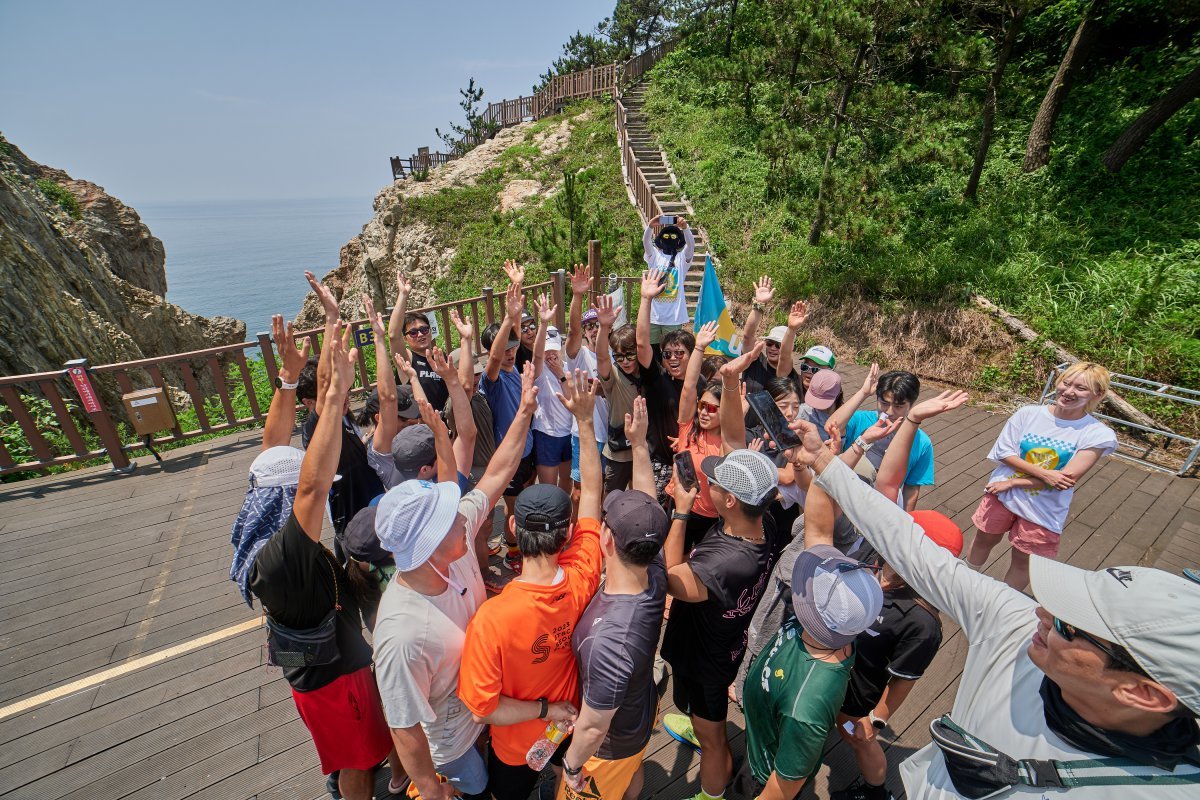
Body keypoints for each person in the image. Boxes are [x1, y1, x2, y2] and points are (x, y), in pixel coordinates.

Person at [795, 386, 1200, 800]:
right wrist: (825, 459)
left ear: (1143, 693)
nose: (1041, 614)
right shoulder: (1017, 625)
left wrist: (878, 718)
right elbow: (907, 543)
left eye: (1068, 623)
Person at [371, 360, 538, 800]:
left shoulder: (456, 534)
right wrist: (429, 789)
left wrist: (524, 411)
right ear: (425, 547)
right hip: (455, 740)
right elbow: (403, 723)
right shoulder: (401, 635)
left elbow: (498, 474)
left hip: (492, 705)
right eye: (447, 520)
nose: (463, 520)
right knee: (481, 790)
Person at [248, 315, 400, 800]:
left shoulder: (262, 532)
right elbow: (312, 487)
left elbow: (272, 451)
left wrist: (288, 382)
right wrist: (333, 397)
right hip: (334, 672)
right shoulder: (285, 553)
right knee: (357, 762)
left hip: (311, 661)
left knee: (350, 743)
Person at [457, 370, 605, 800]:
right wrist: (583, 420)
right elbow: (591, 490)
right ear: (568, 534)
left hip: (515, 744)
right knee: (567, 777)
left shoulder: (492, 618)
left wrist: (541, 710)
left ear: (513, 528)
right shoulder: (583, 574)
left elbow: (481, 706)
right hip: (570, 725)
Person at [660, 348, 782, 800]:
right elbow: (734, 440)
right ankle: (698, 726)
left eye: (716, 481)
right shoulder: (762, 519)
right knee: (699, 714)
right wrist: (730, 384)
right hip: (722, 644)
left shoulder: (723, 561)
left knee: (714, 738)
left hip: (707, 659)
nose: (708, 479)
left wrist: (680, 511)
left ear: (729, 499)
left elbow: (674, 577)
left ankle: (712, 791)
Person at [559, 397, 669, 800]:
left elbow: (593, 726)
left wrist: (572, 766)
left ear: (605, 539)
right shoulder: (653, 571)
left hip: (609, 745)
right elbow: (648, 508)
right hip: (640, 712)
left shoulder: (611, 642)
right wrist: (639, 446)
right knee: (631, 779)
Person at [831, 510, 963, 800]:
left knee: (857, 738)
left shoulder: (922, 624)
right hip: (833, 671)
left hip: (857, 696)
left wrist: (876, 720)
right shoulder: (873, 559)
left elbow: (903, 680)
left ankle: (875, 792)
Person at [740, 543, 884, 800]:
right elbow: (818, 535)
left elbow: (783, 787)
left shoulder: (805, 711)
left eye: (812, 589)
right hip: (762, 742)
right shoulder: (839, 631)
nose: (804, 586)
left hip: (764, 779)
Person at [964, 362, 1118, 589]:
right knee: (984, 538)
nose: (1069, 391)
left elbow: (1064, 480)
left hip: (1042, 509)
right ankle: (965, 581)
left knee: (1022, 561)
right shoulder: (1028, 413)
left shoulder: (1097, 433)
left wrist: (1015, 481)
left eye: (1081, 388)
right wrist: (1045, 474)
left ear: (1098, 394)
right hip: (1002, 494)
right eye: (1066, 383)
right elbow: (1004, 452)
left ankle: (1000, 603)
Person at [294, 278, 384, 546]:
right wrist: (332, 316)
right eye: (338, 393)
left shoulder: (342, 414)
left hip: (369, 492)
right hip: (349, 504)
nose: (344, 399)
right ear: (310, 403)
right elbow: (325, 386)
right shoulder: (316, 425)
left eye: (346, 393)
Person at [482, 273, 537, 574]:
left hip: (526, 449)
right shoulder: (492, 378)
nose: (510, 352)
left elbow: (511, 343)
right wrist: (507, 318)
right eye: (504, 349)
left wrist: (515, 314)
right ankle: (513, 552)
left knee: (524, 500)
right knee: (514, 508)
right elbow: (494, 357)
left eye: (513, 348)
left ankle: (512, 540)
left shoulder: (515, 368)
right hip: (508, 452)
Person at [828, 370, 933, 510]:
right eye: (884, 403)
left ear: (912, 406)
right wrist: (863, 393)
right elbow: (831, 426)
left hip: (885, 507)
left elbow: (912, 487)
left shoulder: (922, 442)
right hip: (846, 500)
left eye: (898, 406)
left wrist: (906, 520)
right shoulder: (861, 419)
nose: (889, 411)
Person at [635, 266, 692, 494]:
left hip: (690, 462)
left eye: (680, 353)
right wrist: (646, 299)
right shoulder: (657, 379)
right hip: (659, 464)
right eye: (667, 354)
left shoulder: (701, 385)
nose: (673, 358)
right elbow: (641, 344)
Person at [563, 263, 610, 487]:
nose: (593, 329)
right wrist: (577, 295)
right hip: (583, 433)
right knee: (580, 490)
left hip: (612, 435)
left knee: (605, 491)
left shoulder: (616, 355)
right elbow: (572, 332)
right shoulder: (577, 355)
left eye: (597, 324)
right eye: (589, 325)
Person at [530, 295, 574, 492]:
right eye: (548, 350)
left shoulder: (565, 368)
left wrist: (560, 374)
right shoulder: (538, 371)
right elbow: (538, 355)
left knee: (566, 484)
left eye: (554, 349)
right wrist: (543, 322)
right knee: (549, 489)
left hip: (568, 433)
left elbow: (572, 399)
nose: (551, 354)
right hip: (547, 434)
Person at [389, 271, 450, 412]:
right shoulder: (407, 360)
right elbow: (393, 335)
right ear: (405, 338)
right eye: (413, 332)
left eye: (424, 329)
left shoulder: (441, 357)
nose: (420, 334)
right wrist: (403, 294)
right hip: (421, 428)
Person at [641, 214, 695, 347]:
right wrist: (650, 226)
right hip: (653, 314)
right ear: (660, 239)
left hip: (674, 317)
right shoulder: (654, 256)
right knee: (651, 349)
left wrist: (685, 228)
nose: (669, 238)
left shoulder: (682, 259)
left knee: (671, 350)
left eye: (673, 236)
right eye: (666, 236)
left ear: (679, 241)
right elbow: (646, 242)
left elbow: (691, 246)